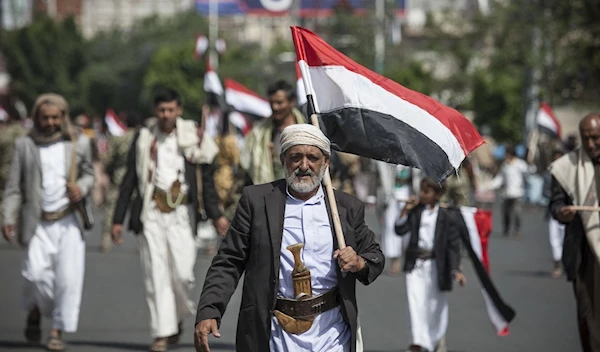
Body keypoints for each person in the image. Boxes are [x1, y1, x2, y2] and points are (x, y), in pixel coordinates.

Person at [194, 124, 385, 352]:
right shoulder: (257, 201)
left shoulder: (345, 208)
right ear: (283, 160)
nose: (304, 166)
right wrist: (209, 310)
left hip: (333, 334)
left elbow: (374, 256)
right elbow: (229, 261)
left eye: (313, 158)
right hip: (276, 333)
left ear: (325, 163)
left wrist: (358, 262)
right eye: (296, 157)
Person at [111, 88, 229, 352]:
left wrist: (216, 215)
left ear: (178, 110)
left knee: (183, 275)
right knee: (156, 274)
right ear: (155, 110)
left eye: (171, 110)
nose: (166, 115)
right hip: (151, 213)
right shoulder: (144, 138)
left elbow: (206, 183)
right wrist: (117, 220)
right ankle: (161, 333)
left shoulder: (193, 138)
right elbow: (130, 179)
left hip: (182, 215)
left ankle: (175, 319)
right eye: (161, 110)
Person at [2, 93, 95, 351]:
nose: (51, 122)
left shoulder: (78, 143)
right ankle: (34, 309)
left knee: (67, 280)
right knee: (36, 275)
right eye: (46, 118)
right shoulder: (24, 145)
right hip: (38, 223)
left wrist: (82, 189)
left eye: (56, 117)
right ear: (37, 118)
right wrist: (8, 217)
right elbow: (13, 187)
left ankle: (57, 329)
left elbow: (89, 175)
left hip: (68, 220)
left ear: (63, 118)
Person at [395, 177, 466, 352]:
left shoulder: (446, 215)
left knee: (435, 305)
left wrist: (455, 269)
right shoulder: (416, 211)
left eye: (427, 192)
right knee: (416, 303)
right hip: (416, 264)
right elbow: (399, 230)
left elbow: (453, 245)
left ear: (437, 194)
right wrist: (406, 209)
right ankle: (418, 343)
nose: (422, 195)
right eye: (421, 191)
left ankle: (435, 339)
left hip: (437, 265)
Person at [549, 113, 600, 352]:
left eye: (596, 138)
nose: (590, 144)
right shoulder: (566, 167)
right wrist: (562, 212)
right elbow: (556, 204)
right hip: (585, 255)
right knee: (588, 315)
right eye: (586, 138)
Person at [240, 80, 306, 185]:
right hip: (272, 192)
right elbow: (246, 166)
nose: (275, 107)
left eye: (279, 103)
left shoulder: (307, 128)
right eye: (272, 103)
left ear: (292, 102)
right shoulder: (259, 133)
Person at [101, 112, 142, 253]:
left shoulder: (118, 139)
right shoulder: (141, 139)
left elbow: (109, 158)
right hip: (137, 177)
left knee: (112, 207)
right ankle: (140, 241)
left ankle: (106, 238)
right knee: (139, 208)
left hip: (119, 175)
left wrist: (110, 172)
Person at [490, 146, 535, 237]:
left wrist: (531, 164)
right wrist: (490, 185)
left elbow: (530, 171)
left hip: (517, 193)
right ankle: (506, 229)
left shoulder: (520, 164)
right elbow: (500, 179)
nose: (506, 156)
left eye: (508, 155)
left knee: (517, 212)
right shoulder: (505, 165)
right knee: (505, 212)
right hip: (506, 193)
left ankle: (517, 229)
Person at [543, 149, 566, 278]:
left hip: (568, 213)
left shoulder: (571, 175)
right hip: (554, 211)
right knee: (554, 239)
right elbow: (545, 191)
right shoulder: (549, 175)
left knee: (565, 239)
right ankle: (557, 264)